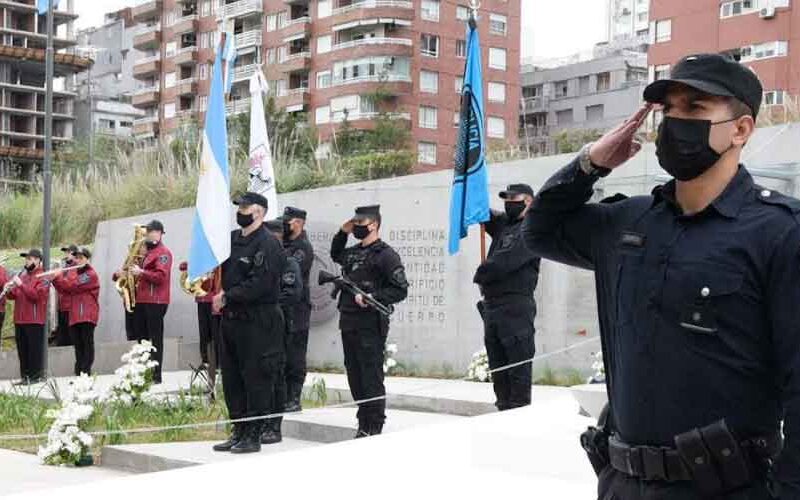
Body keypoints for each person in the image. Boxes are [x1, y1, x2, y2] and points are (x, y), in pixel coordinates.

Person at [523, 53, 797, 498]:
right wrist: (591, 163)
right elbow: (540, 231)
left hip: (727, 488)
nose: (675, 122)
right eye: (668, 109)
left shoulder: (780, 233)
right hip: (622, 483)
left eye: (695, 108)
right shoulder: (626, 223)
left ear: (741, 129)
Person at [212, 193, 286, 454]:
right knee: (232, 378)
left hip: (259, 319)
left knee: (256, 377)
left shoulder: (268, 244)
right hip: (231, 319)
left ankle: (253, 434)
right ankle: (238, 430)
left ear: (260, 212)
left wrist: (227, 296)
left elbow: (261, 283)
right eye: (239, 207)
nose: (241, 211)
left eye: (246, 207)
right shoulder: (232, 239)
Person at [330, 205, 408, 437]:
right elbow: (336, 254)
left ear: (373, 224)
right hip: (349, 321)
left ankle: (373, 424)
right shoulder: (353, 252)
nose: (356, 229)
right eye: (354, 224)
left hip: (370, 324)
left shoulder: (386, 255)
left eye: (360, 225)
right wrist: (342, 232)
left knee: (370, 374)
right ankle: (363, 419)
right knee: (354, 374)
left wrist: (374, 297)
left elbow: (400, 289)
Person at [473, 184, 540, 411]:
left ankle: (518, 421)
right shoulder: (505, 225)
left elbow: (507, 261)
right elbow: (484, 214)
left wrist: (481, 273)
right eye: (506, 198)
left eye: (514, 198)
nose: (509, 202)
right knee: (498, 371)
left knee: (517, 372)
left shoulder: (532, 228)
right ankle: (502, 412)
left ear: (529, 201)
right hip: (492, 308)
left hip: (516, 308)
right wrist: (471, 192)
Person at [266, 217, 304, 435]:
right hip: (259, 327)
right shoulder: (261, 261)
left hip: (278, 325)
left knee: (275, 376)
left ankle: (273, 426)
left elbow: (291, 294)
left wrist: (263, 305)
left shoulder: (288, 263)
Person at [128, 219, 172, 384]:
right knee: (142, 338)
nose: (147, 234)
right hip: (143, 299)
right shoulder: (148, 253)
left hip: (157, 301)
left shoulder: (163, 253)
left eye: (150, 231)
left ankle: (156, 375)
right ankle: (144, 372)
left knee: (155, 338)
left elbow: (161, 277)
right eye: (147, 231)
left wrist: (141, 272)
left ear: (159, 233)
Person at [281, 206, 314, 411]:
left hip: (297, 309)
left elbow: (290, 271)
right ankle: (283, 396)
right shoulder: (284, 243)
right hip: (283, 307)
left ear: (299, 223)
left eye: (289, 221)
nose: (285, 224)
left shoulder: (302, 248)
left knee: (295, 355)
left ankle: (294, 398)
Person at [5, 249, 50, 384]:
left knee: (33, 350)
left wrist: (21, 285)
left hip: (34, 320)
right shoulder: (23, 277)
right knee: (22, 350)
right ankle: (25, 377)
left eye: (30, 259)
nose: (27, 261)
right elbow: (15, 295)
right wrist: (8, 289)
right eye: (26, 259)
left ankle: (35, 377)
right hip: (20, 319)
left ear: (37, 260)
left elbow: (36, 296)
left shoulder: (44, 276)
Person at [53, 248, 99, 376]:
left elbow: (71, 285)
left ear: (87, 259)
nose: (78, 260)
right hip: (75, 315)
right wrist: (55, 279)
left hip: (87, 315)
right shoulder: (75, 273)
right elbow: (64, 290)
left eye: (81, 258)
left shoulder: (90, 274)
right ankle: (79, 372)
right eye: (77, 258)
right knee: (78, 346)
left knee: (87, 344)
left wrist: (59, 276)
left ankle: (85, 372)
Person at [52, 244, 77, 346]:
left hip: (71, 308)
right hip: (62, 308)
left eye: (68, 252)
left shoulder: (76, 268)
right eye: (65, 252)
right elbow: (61, 288)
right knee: (62, 340)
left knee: (70, 339)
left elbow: (68, 285)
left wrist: (57, 277)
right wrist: (54, 278)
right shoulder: (65, 268)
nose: (66, 255)